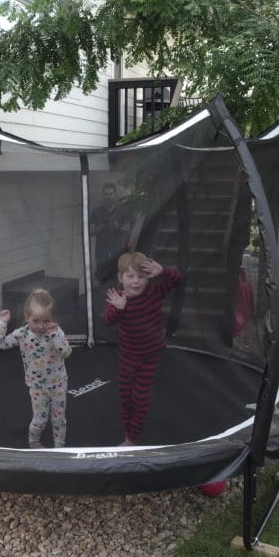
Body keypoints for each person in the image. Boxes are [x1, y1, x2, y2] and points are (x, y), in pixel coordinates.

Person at [103, 252, 182, 445]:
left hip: (150, 357)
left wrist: (163, 270)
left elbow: (177, 279)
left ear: (148, 278)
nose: (136, 282)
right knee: (125, 400)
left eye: (141, 277)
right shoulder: (119, 300)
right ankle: (127, 431)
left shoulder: (155, 291)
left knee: (141, 401)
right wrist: (119, 308)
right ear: (121, 278)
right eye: (130, 277)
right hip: (128, 358)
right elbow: (108, 320)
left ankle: (132, 438)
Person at [0, 288, 73, 448]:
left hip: (58, 382)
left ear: (52, 319)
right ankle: (34, 442)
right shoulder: (21, 334)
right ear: (26, 317)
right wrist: (3, 323)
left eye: (46, 321)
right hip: (37, 386)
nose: (41, 326)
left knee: (59, 418)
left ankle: (60, 446)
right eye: (36, 321)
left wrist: (55, 335)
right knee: (40, 420)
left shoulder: (56, 332)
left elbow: (66, 352)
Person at [89, 182, 127, 285]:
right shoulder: (96, 212)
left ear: (115, 195)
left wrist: (118, 227)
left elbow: (128, 229)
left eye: (111, 194)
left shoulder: (122, 210)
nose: (108, 197)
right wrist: (100, 228)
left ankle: (118, 297)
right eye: (106, 194)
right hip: (102, 250)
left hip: (117, 249)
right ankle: (104, 299)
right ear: (103, 195)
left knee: (118, 276)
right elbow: (91, 232)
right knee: (103, 278)